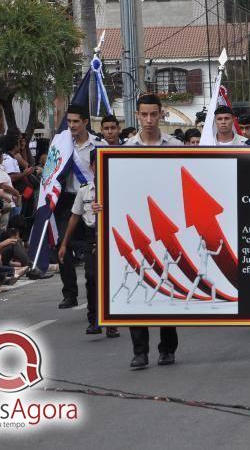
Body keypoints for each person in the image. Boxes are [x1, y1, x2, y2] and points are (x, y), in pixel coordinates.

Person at [125, 93, 183, 369]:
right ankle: (140, 350)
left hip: (167, 226)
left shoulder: (175, 146)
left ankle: (167, 347)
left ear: (161, 114)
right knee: (137, 287)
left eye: (153, 114)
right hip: (135, 226)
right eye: (144, 114)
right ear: (137, 115)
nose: (149, 120)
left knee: (167, 285)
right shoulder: (124, 149)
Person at [58, 151, 119, 338]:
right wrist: (64, 243)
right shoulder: (85, 190)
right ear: (92, 166)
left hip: (112, 237)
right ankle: (94, 320)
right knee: (92, 278)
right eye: (96, 164)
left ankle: (112, 322)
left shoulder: (116, 186)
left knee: (111, 280)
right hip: (92, 237)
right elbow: (75, 216)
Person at [57, 105, 105, 309]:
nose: (72, 125)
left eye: (76, 121)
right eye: (69, 121)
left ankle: (97, 294)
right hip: (68, 200)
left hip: (92, 200)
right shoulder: (61, 144)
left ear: (85, 122)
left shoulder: (99, 145)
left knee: (92, 247)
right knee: (62, 245)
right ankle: (69, 294)